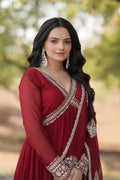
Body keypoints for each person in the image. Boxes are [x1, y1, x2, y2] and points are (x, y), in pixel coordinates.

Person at [14, 17, 103, 180]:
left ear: (72, 45)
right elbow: (33, 128)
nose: (61, 47)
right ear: (43, 44)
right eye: (54, 41)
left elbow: (91, 126)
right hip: (40, 165)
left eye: (67, 42)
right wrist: (61, 172)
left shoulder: (81, 80)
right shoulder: (33, 77)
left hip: (77, 171)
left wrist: (81, 168)